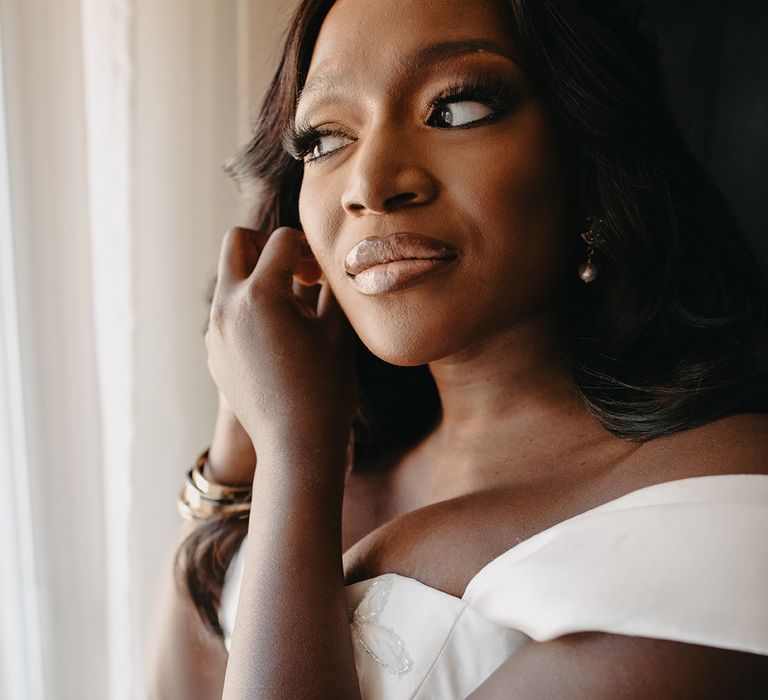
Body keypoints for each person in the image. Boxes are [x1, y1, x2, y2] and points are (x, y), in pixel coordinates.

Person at [146, 0, 768, 697]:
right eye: (325, 137)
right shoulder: (341, 457)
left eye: (455, 109)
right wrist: (239, 450)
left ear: (588, 155)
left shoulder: (711, 506)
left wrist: (296, 454)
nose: (371, 185)